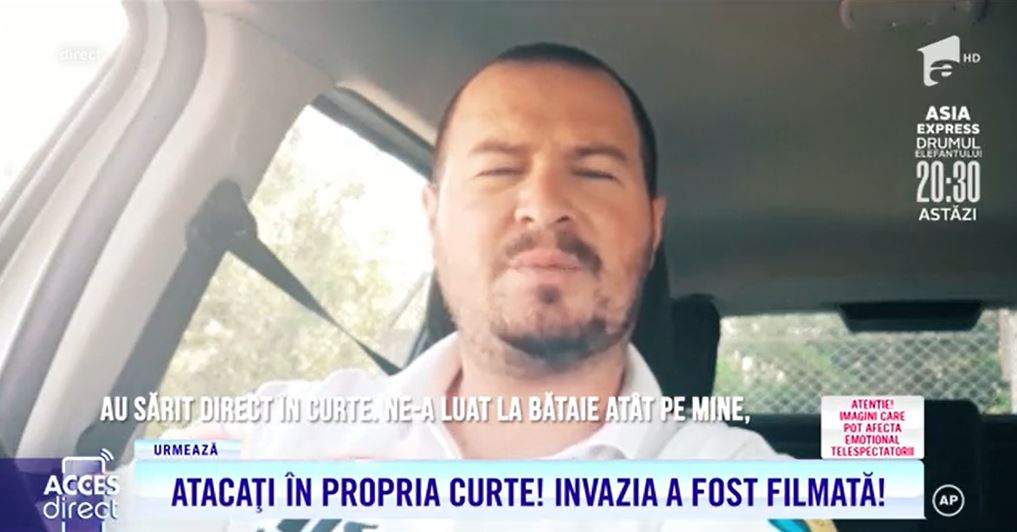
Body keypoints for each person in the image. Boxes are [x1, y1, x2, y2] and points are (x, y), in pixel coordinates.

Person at [113, 43, 828, 532]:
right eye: (497, 170)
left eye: (594, 172)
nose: (543, 205)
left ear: (651, 228)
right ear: (433, 219)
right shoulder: (275, 432)